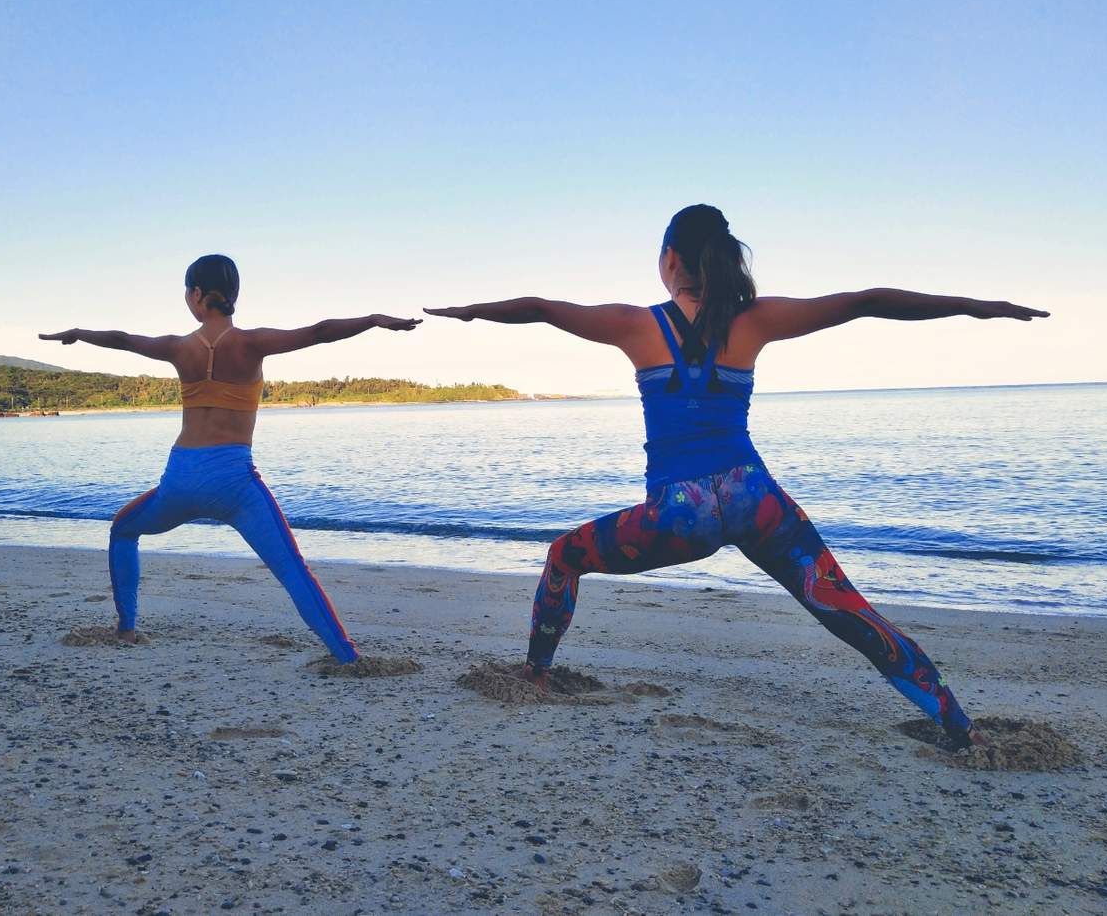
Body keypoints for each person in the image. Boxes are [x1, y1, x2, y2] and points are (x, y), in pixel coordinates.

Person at [426, 204, 1048, 746]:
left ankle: (536, 675)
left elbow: (537, 308)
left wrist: (470, 313)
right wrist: (975, 307)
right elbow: (866, 303)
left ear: (669, 259)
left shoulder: (634, 324)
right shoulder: (755, 319)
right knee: (843, 607)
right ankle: (956, 723)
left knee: (564, 557)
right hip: (754, 498)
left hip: (680, 514)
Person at [40, 253, 420, 658]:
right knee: (292, 570)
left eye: (187, 292)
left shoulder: (178, 348)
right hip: (233, 483)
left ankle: (126, 630)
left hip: (180, 479)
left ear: (198, 295)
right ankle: (346, 655)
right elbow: (320, 331)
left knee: (123, 530)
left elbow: (122, 339)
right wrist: (374, 320)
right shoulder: (250, 343)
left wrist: (79, 333)